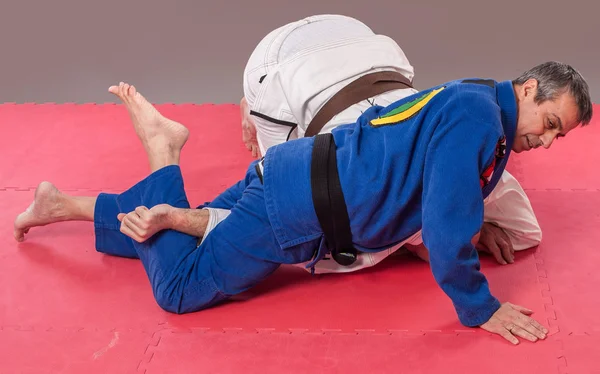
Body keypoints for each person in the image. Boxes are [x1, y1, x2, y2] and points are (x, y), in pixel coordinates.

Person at [14, 57, 593, 345]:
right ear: (526, 90)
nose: (544, 140)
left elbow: (426, 196)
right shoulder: (477, 118)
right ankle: (163, 151)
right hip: (295, 210)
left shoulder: (475, 107)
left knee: (175, 233)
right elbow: (442, 223)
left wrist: (471, 226)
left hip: (292, 174)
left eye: (556, 135)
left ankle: (61, 204)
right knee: (179, 289)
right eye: (547, 121)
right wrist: (481, 308)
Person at [231, 14, 543, 271]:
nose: (468, 246)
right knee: (271, 176)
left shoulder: (473, 165)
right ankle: (252, 111)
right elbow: (303, 245)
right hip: (276, 67)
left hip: (358, 40)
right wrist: (432, 235)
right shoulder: (362, 187)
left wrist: (465, 227)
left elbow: (527, 231)